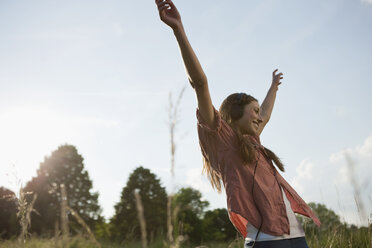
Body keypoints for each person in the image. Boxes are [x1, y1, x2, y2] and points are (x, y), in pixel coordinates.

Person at [155, 1, 321, 247]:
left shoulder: (253, 142)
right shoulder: (222, 140)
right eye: (253, 112)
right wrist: (178, 30)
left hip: (295, 236)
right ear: (235, 114)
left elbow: (266, 113)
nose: (259, 117)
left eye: (258, 113)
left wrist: (272, 87)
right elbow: (200, 83)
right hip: (266, 240)